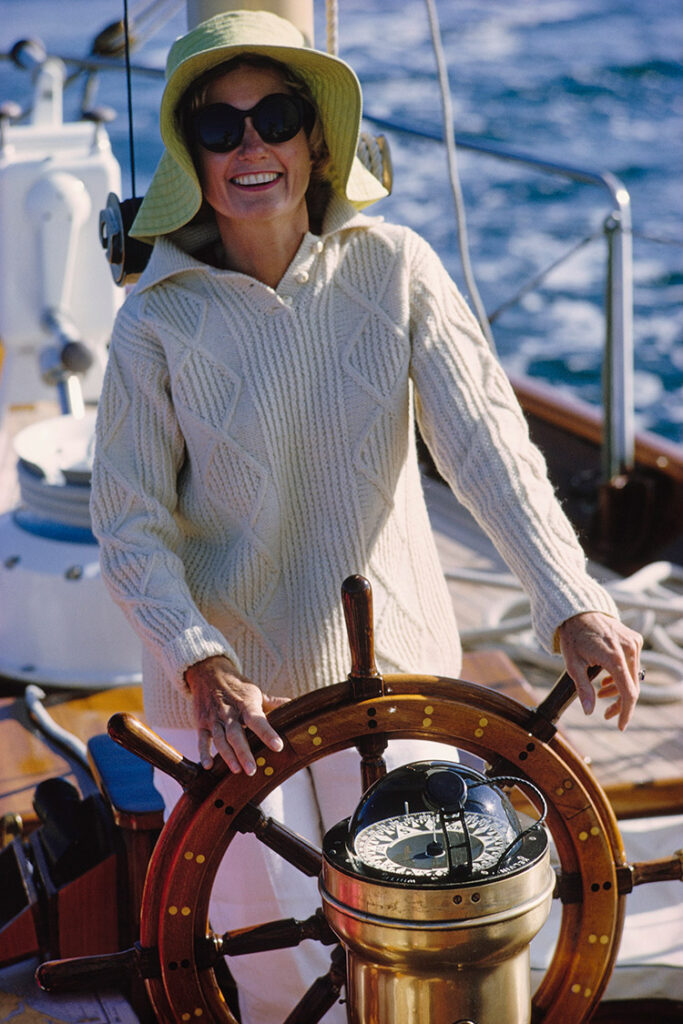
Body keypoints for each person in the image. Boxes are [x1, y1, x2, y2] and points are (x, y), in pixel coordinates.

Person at [90, 9, 642, 1022]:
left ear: (315, 138)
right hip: (227, 717)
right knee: (272, 984)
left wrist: (568, 602)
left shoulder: (397, 267)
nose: (251, 147)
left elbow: (486, 448)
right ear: (190, 154)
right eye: (221, 128)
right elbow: (129, 525)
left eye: (276, 117)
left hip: (398, 687)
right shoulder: (153, 321)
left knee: (426, 967)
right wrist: (201, 663)